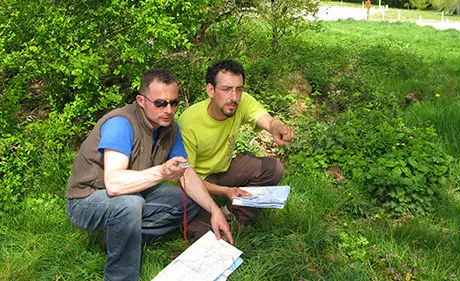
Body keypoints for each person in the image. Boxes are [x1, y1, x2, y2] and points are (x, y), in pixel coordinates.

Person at [65, 69, 233, 281]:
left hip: (134, 193)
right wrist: (162, 171)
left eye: (174, 103)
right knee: (128, 205)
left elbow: (186, 173)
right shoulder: (121, 124)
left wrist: (213, 209)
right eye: (160, 103)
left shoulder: (170, 128)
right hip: (87, 200)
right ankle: (121, 277)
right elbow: (114, 184)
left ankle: (118, 236)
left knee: (189, 201)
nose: (169, 110)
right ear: (141, 101)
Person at [178, 59, 294, 227]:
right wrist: (225, 191)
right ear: (211, 90)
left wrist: (277, 126)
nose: (234, 97)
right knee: (204, 231)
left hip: (224, 171)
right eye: (226, 89)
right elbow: (186, 178)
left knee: (273, 168)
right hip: (197, 181)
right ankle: (214, 218)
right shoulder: (189, 122)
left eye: (238, 89)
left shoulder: (242, 102)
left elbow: (266, 119)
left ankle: (235, 215)